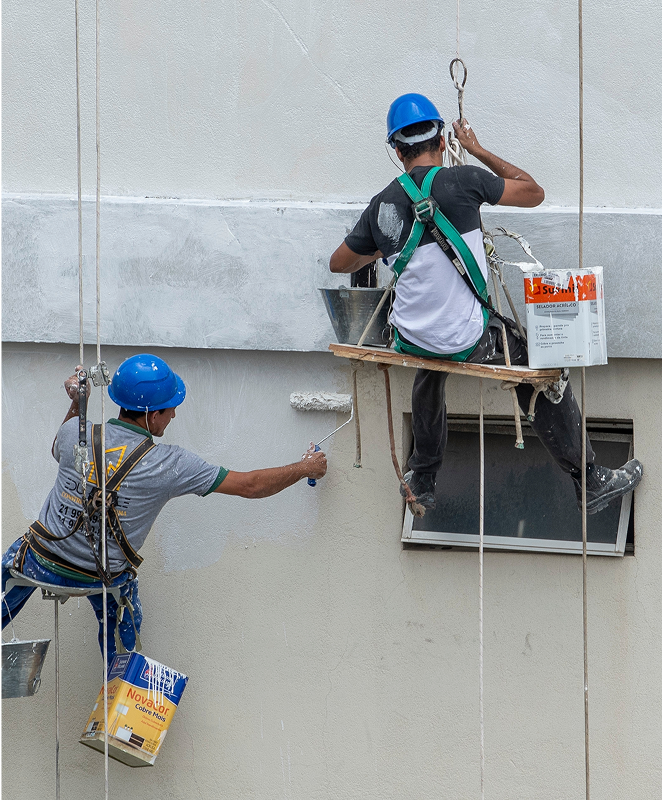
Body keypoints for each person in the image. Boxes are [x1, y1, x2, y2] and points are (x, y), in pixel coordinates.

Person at [329, 92, 642, 514]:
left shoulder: (382, 204)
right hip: (466, 338)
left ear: (397, 151)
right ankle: (590, 480)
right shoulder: (464, 181)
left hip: (408, 336)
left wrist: (386, 247)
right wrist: (476, 148)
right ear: (443, 142)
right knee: (538, 366)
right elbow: (533, 192)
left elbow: (340, 263)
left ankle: (423, 476)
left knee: (430, 360)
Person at [1, 354, 327, 663]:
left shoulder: (75, 431)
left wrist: (78, 401)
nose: (174, 416)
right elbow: (250, 485)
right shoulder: (169, 465)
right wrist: (304, 468)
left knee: (10, 566)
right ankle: (120, 684)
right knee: (123, 648)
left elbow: (58, 449)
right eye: (170, 409)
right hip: (101, 577)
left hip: (41, 561)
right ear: (152, 416)